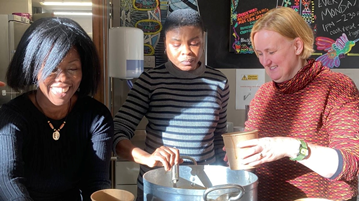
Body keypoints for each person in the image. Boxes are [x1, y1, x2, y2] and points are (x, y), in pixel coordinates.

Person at [230, 7, 359, 200]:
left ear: (297, 46)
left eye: (271, 51)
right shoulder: (264, 94)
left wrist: (289, 147)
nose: (265, 61)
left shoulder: (336, 88)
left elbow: (351, 165)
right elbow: (252, 161)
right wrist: (243, 154)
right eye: (259, 53)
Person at [113, 8, 230, 200]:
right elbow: (117, 131)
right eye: (176, 44)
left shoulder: (219, 82)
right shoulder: (150, 80)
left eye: (194, 43)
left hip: (204, 190)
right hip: (158, 188)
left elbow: (219, 138)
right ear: (165, 46)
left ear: (203, 42)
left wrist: (225, 179)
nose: (187, 52)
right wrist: (148, 158)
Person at [0, 17, 114, 201]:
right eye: (52, 67)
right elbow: (8, 181)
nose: (62, 78)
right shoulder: (12, 116)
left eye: (73, 68)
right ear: (32, 67)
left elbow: (96, 181)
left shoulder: (96, 117)